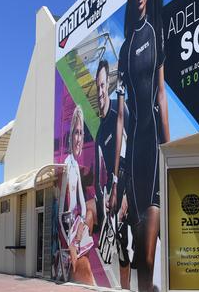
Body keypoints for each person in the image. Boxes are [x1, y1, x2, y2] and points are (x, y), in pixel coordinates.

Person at [111, 0, 170, 292]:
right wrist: (118, 179)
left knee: (149, 256)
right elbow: (120, 117)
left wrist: (170, 150)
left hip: (155, 152)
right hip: (133, 163)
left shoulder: (156, 31)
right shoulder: (124, 48)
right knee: (140, 262)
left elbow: (160, 96)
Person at [94, 58, 132, 288]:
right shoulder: (99, 133)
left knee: (140, 245)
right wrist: (107, 200)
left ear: (107, 84)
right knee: (121, 249)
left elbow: (133, 151)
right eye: (97, 87)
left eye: (102, 86)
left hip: (131, 190)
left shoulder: (120, 110)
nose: (100, 92)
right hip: (114, 201)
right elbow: (102, 177)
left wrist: (127, 194)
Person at [58, 105, 95, 285]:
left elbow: (81, 203)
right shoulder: (67, 166)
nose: (79, 139)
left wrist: (81, 227)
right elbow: (62, 211)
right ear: (70, 135)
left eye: (81, 133)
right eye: (76, 133)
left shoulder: (75, 166)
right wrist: (71, 240)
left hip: (76, 229)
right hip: (69, 230)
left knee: (90, 210)